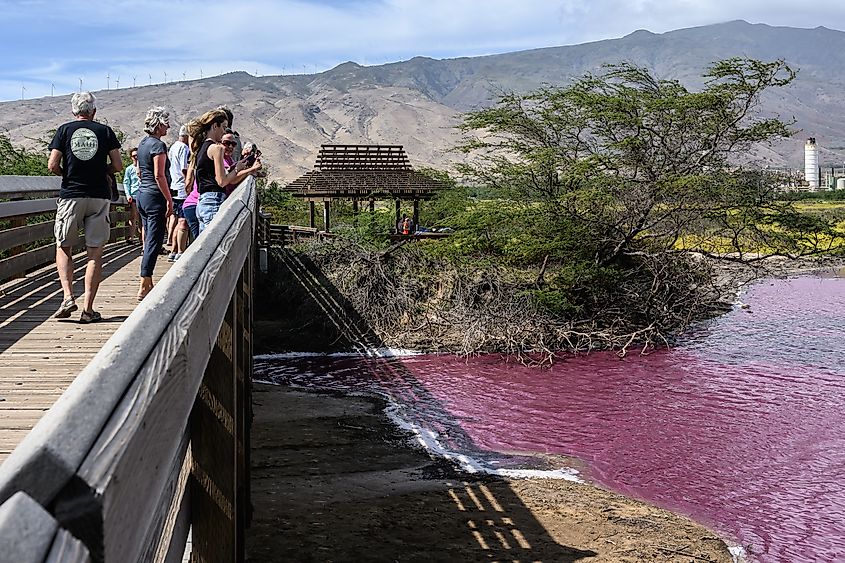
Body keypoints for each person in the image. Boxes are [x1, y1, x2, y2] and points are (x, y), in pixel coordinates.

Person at [48, 91, 122, 324]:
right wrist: (103, 173)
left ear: (73, 111)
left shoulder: (64, 130)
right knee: (95, 252)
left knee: (64, 246)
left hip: (71, 195)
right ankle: (88, 310)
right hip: (99, 197)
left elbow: (52, 165)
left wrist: (66, 174)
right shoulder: (105, 132)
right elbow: (118, 165)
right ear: (94, 112)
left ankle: (68, 296)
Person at [189, 109, 259, 233]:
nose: (224, 131)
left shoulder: (201, 148)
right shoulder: (217, 149)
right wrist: (238, 169)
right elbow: (222, 181)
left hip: (202, 202)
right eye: (223, 127)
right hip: (213, 200)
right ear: (215, 126)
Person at [135, 106, 173, 301]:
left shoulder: (142, 144)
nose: (169, 125)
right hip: (155, 196)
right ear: (158, 124)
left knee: (149, 237)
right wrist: (169, 199)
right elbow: (159, 175)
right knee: (154, 240)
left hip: (142, 195)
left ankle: (147, 282)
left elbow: (141, 172)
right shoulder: (158, 146)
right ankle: (144, 282)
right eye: (166, 121)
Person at [167, 124, 190, 261]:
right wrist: (189, 182)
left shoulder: (173, 147)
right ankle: (180, 250)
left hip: (173, 185)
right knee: (182, 221)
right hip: (182, 187)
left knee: (174, 219)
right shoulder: (184, 148)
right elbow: (184, 168)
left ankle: (173, 249)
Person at [123, 148, 142, 245]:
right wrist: (128, 194)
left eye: (137, 155)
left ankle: (141, 238)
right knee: (133, 216)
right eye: (134, 156)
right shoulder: (129, 169)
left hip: (142, 194)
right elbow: (126, 183)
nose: (136, 157)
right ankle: (131, 237)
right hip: (134, 195)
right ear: (131, 157)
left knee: (142, 217)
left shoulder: (143, 167)